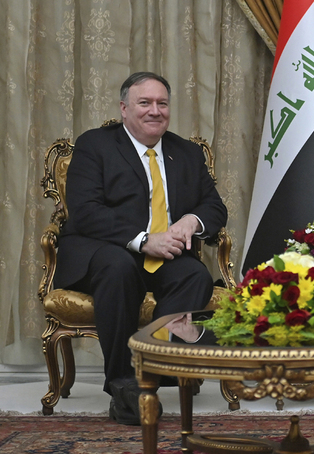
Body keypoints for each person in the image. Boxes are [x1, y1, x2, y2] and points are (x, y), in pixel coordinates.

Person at [54, 72, 228, 425]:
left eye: (162, 103)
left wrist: (191, 221)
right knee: (118, 267)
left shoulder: (187, 152)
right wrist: (146, 239)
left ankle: (154, 368)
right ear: (124, 108)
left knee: (195, 276)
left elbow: (215, 206)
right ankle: (123, 383)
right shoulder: (95, 145)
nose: (155, 111)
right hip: (102, 250)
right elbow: (86, 212)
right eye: (144, 103)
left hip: (164, 255)